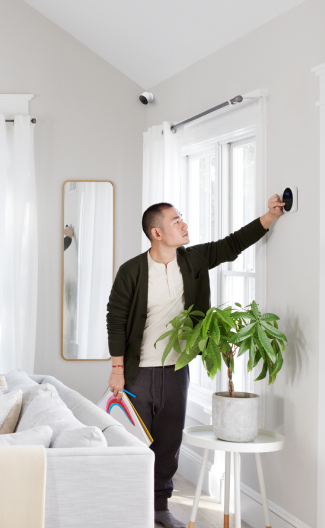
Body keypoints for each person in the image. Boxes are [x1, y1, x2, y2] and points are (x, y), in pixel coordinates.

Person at [106, 195, 285, 528]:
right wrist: (117, 369)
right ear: (156, 233)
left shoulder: (193, 260)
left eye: (182, 218)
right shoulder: (132, 270)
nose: (184, 225)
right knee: (134, 441)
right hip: (137, 372)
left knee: (169, 440)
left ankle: (159, 509)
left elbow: (232, 245)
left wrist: (269, 217)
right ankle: (130, 509)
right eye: (176, 221)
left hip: (176, 368)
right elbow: (115, 318)